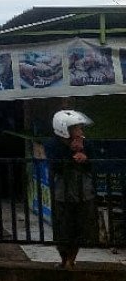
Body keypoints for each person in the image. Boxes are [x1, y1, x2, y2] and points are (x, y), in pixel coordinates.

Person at [45, 110, 97, 269]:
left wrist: (85, 157)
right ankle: (64, 258)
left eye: (80, 128)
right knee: (62, 227)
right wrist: (71, 152)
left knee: (79, 227)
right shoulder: (52, 144)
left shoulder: (86, 143)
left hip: (82, 191)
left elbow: (94, 162)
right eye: (75, 128)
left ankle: (71, 260)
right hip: (62, 192)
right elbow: (55, 165)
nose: (80, 132)